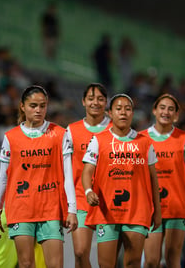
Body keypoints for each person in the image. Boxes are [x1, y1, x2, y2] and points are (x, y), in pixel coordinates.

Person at [0, 85, 78, 268]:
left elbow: (68, 176)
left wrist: (72, 209)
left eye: (42, 105)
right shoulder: (10, 137)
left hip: (51, 209)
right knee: (26, 264)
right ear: (22, 106)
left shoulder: (60, 134)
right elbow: (3, 179)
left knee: (55, 265)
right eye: (33, 105)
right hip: (21, 208)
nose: (38, 110)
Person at [81, 93, 161, 268]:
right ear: (110, 113)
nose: (123, 113)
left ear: (132, 113)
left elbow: (154, 179)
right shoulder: (98, 140)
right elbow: (87, 172)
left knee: (132, 263)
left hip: (137, 211)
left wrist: (158, 210)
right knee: (105, 264)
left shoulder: (145, 143)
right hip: (107, 212)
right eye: (118, 109)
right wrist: (88, 191)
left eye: (128, 109)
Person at [141, 94, 185, 268]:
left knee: (172, 260)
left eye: (171, 109)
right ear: (155, 111)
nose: (166, 112)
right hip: (151, 208)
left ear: (176, 115)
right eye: (162, 107)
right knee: (150, 261)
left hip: (177, 206)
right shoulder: (140, 138)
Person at [66, 83, 112, 268]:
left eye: (100, 99)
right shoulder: (71, 130)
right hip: (81, 198)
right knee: (80, 253)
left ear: (106, 102)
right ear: (83, 101)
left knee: (108, 263)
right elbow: (66, 170)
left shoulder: (115, 128)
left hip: (109, 201)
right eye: (91, 98)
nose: (96, 102)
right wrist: (68, 205)